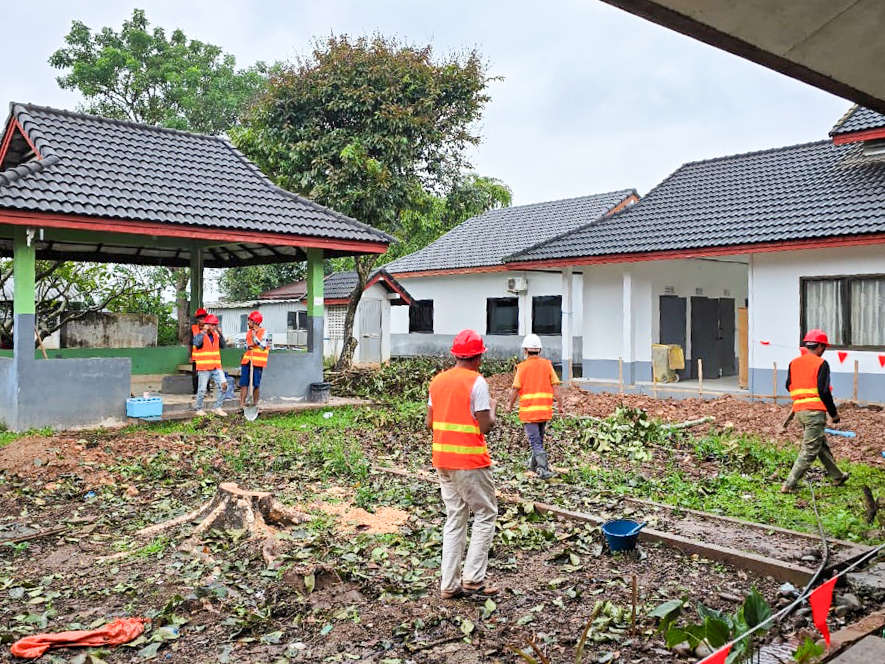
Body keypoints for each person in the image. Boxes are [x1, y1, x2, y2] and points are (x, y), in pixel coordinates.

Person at [427, 329, 498, 600]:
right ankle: (473, 579)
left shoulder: (438, 381)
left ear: (454, 355)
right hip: (469, 461)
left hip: (442, 460)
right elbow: (485, 425)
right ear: (479, 357)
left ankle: (449, 584)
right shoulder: (477, 383)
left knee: (455, 517)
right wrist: (492, 409)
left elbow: (429, 422)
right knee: (485, 513)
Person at [782, 329, 850, 493]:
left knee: (820, 445)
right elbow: (824, 391)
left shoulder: (794, 363)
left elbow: (788, 385)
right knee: (810, 449)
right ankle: (789, 484)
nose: (824, 350)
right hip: (814, 412)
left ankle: (837, 476)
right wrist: (834, 414)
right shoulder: (821, 364)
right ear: (819, 346)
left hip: (800, 411)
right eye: (824, 347)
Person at [507, 334, 561, 479]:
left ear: (525, 350)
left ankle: (543, 469)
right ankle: (533, 465)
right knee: (538, 440)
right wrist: (561, 404)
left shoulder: (522, 368)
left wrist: (509, 405)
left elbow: (515, 389)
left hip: (529, 413)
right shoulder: (547, 365)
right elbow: (556, 387)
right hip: (544, 411)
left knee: (535, 441)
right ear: (540, 350)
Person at [192, 314, 228, 417]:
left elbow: (223, 346)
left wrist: (220, 333)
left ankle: (217, 407)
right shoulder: (201, 334)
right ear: (206, 325)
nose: (213, 327)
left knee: (224, 386)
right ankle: (198, 408)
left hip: (216, 366)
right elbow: (196, 343)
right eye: (211, 325)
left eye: (214, 325)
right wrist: (203, 331)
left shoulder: (216, 335)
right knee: (202, 389)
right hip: (204, 367)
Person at [240, 310, 268, 409]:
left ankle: (255, 404)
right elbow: (246, 346)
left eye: (250, 321)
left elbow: (263, 346)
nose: (248, 323)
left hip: (257, 362)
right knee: (244, 383)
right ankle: (242, 404)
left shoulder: (264, 332)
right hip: (247, 361)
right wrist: (251, 345)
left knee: (256, 384)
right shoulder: (248, 332)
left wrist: (255, 339)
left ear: (255, 322)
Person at [190, 308, 208, 394]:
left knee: (207, 374)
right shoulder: (193, 329)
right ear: (197, 319)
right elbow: (190, 343)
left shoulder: (209, 329)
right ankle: (196, 391)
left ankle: (207, 390)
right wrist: (190, 356)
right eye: (200, 318)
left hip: (207, 356)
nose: (202, 320)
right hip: (196, 357)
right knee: (195, 375)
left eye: (204, 318)